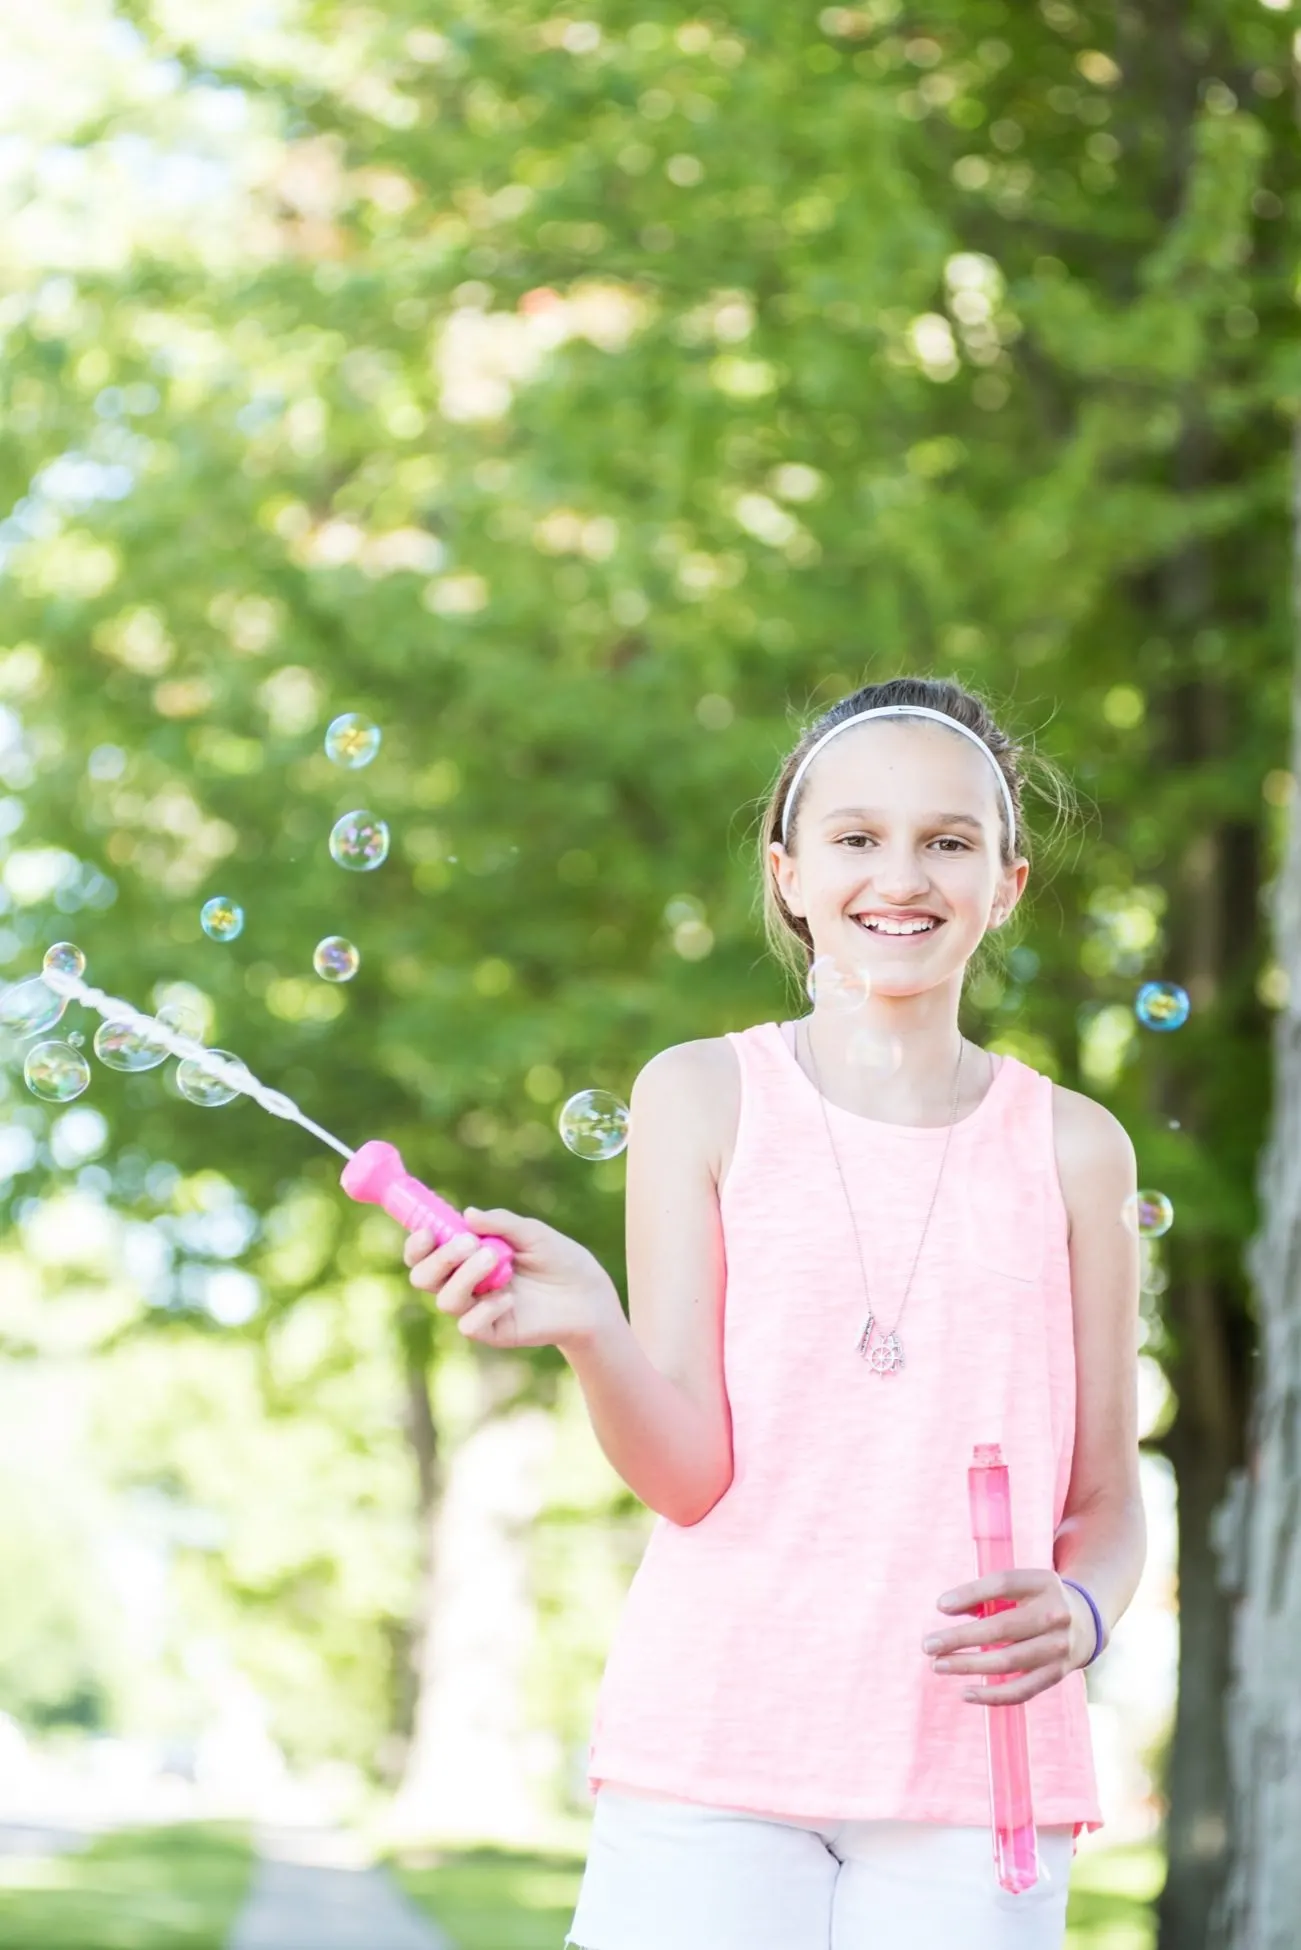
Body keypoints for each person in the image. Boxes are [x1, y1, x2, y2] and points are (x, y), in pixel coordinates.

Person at [405, 675, 1147, 1950]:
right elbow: (689, 1476)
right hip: (712, 1748)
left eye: (947, 841)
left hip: (971, 1773)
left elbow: (1103, 1504)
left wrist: (1079, 1615)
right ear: (788, 874)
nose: (898, 875)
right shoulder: (699, 1097)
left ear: (1004, 886)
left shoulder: (1075, 1149)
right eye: (855, 838)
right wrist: (593, 1326)